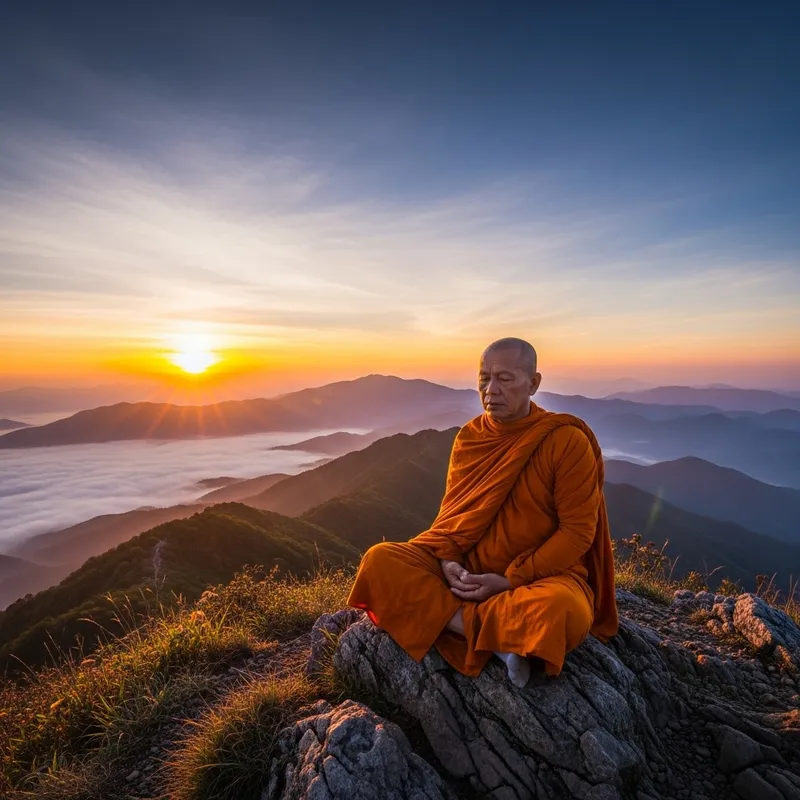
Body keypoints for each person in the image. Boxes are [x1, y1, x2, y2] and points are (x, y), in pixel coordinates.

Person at [347, 337, 618, 687]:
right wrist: (449, 563)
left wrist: (509, 581)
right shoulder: (469, 438)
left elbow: (577, 533)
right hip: (469, 574)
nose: (491, 390)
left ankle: (453, 622)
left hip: (537, 580)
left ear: (533, 383)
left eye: (504, 379)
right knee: (379, 561)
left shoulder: (566, 441)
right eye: (484, 378)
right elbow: (452, 519)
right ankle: (501, 641)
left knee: (562, 611)